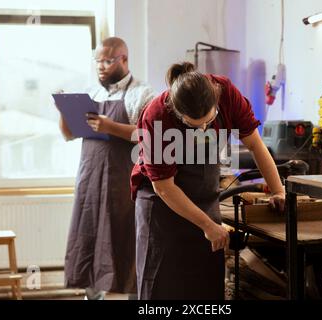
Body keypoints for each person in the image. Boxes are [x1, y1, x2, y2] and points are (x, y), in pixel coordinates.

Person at [131, 62, 285, 300]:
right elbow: (163, 186)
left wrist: (278, 191)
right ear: (177, 111)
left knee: (205, 286)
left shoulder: (226, 93)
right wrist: (208, 226)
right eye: (194, 125)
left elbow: (255, 144)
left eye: (208, 121)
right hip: (162, 207)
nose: (203, 128)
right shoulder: (156, 116)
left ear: (216, 101)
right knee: (163, 287)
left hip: (203, 198)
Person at [57, 37, 155, 300]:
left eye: (108, 61)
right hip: (90, 181)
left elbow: (148, 136)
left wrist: (110, 126)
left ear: (124, 59)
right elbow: (69, 135)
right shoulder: (93, 94)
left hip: (123, 182)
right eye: (98, 61)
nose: (101, 66)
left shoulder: (143, 94)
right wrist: (63, 111)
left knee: (122, 241)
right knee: (88, 238)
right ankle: (92, 295)